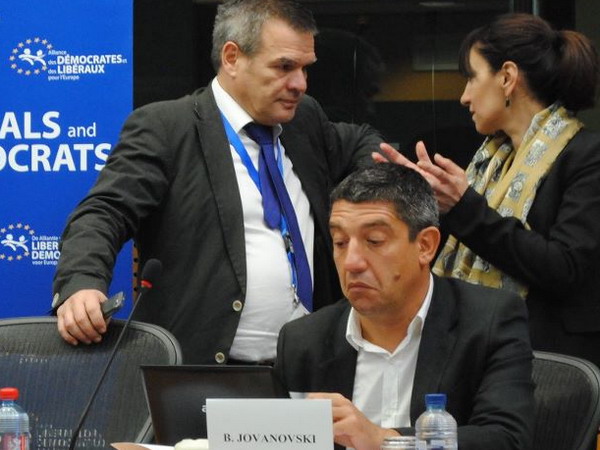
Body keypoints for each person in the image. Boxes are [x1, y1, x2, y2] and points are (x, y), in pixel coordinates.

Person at [51, 0, 382, 364]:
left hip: (309, 369)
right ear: (232, 58)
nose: (300, 84)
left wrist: (376, 189)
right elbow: (105, 212)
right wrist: (82, 282)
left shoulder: (304, 120)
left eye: (306, 68)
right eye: (284, 67)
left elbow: (362, 141)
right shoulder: (167, 129)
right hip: (207, 371)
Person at [376, 13, 600, 368]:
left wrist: (464, 207)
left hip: (552, 366)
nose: (464, 97)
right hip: (481, 353)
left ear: (507, 77)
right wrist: (418, 200)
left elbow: (565, 268)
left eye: (471, 77)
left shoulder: (586, 156)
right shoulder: (489, 161)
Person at [275, 164, 534, 450]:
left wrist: (384, 441)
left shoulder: (488, 321)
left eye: (374, 241)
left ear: (425, 245)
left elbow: (506, 439)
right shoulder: (302, 341)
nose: (352, 262)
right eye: (340, 242)